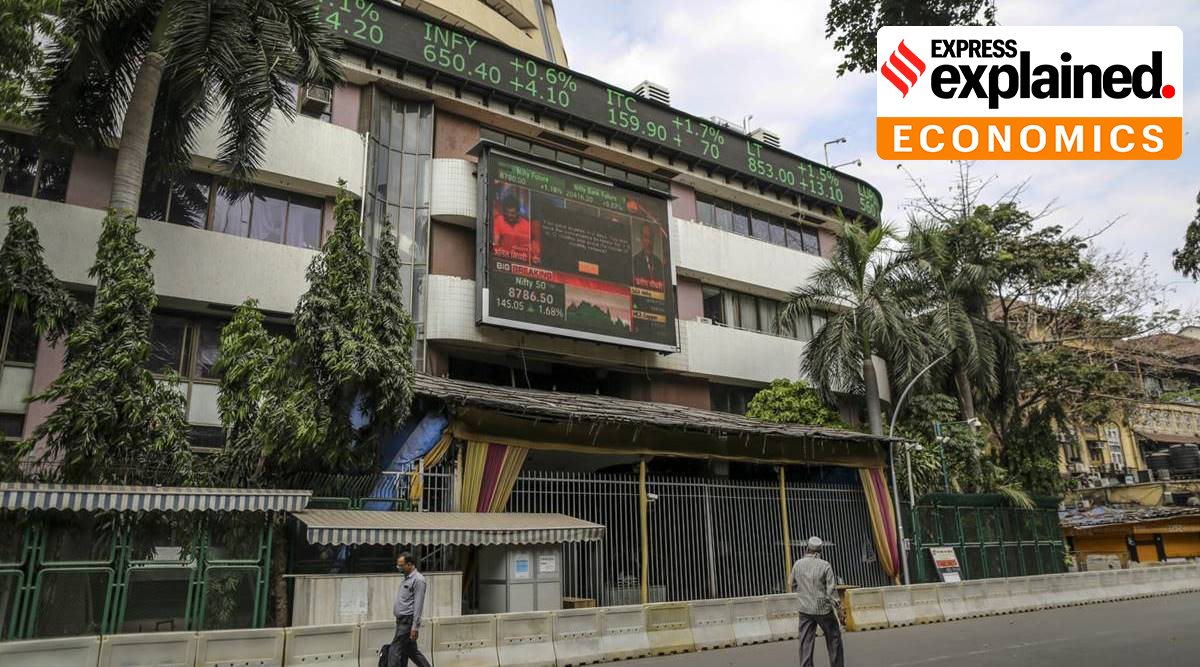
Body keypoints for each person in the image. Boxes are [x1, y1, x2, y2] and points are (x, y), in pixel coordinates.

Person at [792, 536, 844, 667]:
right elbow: (831, 590)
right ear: (820, 550)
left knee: (805, 642)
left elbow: (791, 584)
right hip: (823, 608)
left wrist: (803, 593)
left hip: (805, 609)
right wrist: (839, 610)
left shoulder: (797, 564)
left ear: (806, 549)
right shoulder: (825, 565)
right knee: (834, 638)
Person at [390, 552, 432, 667]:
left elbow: (418, 606)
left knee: (394, 651)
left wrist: (415, 627)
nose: (398, 568)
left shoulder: (418, 580)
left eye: (401, 565)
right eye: (398, 565)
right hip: (401, 621)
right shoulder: (407, 579)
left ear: (410, 564)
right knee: (410, 652)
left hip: (407, 622)